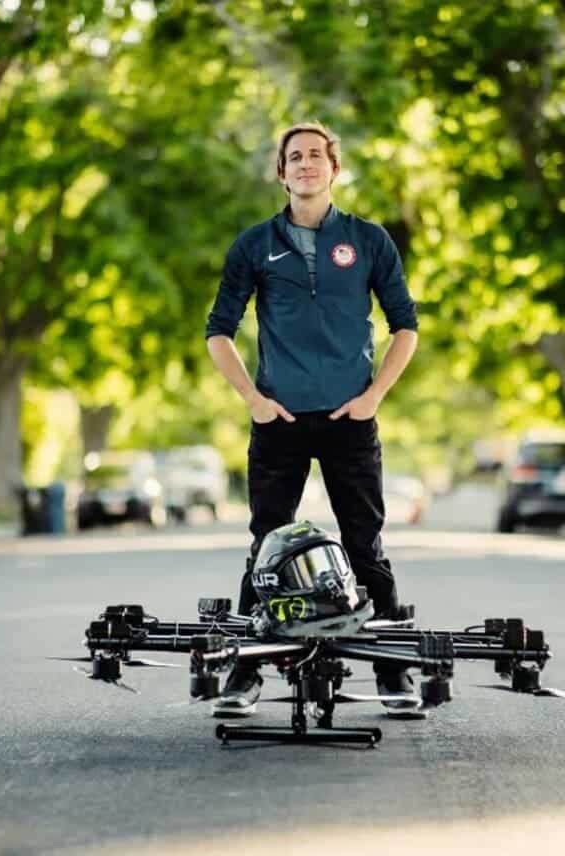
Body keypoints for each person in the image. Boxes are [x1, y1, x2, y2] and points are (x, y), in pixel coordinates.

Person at [204, 122, 420, 717]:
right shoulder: (255, 244)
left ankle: (393, 672)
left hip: (351, 418)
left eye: (315, 156)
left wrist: (375, 395)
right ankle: (245, 674)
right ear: (281, 172)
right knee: (267, 546)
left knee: (365, 547)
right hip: (280, 421)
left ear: (334, 168)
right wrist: (253, 399)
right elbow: (219, 332)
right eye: (294, 157)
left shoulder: (369, 240)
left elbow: (405, 326)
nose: (305, 164)